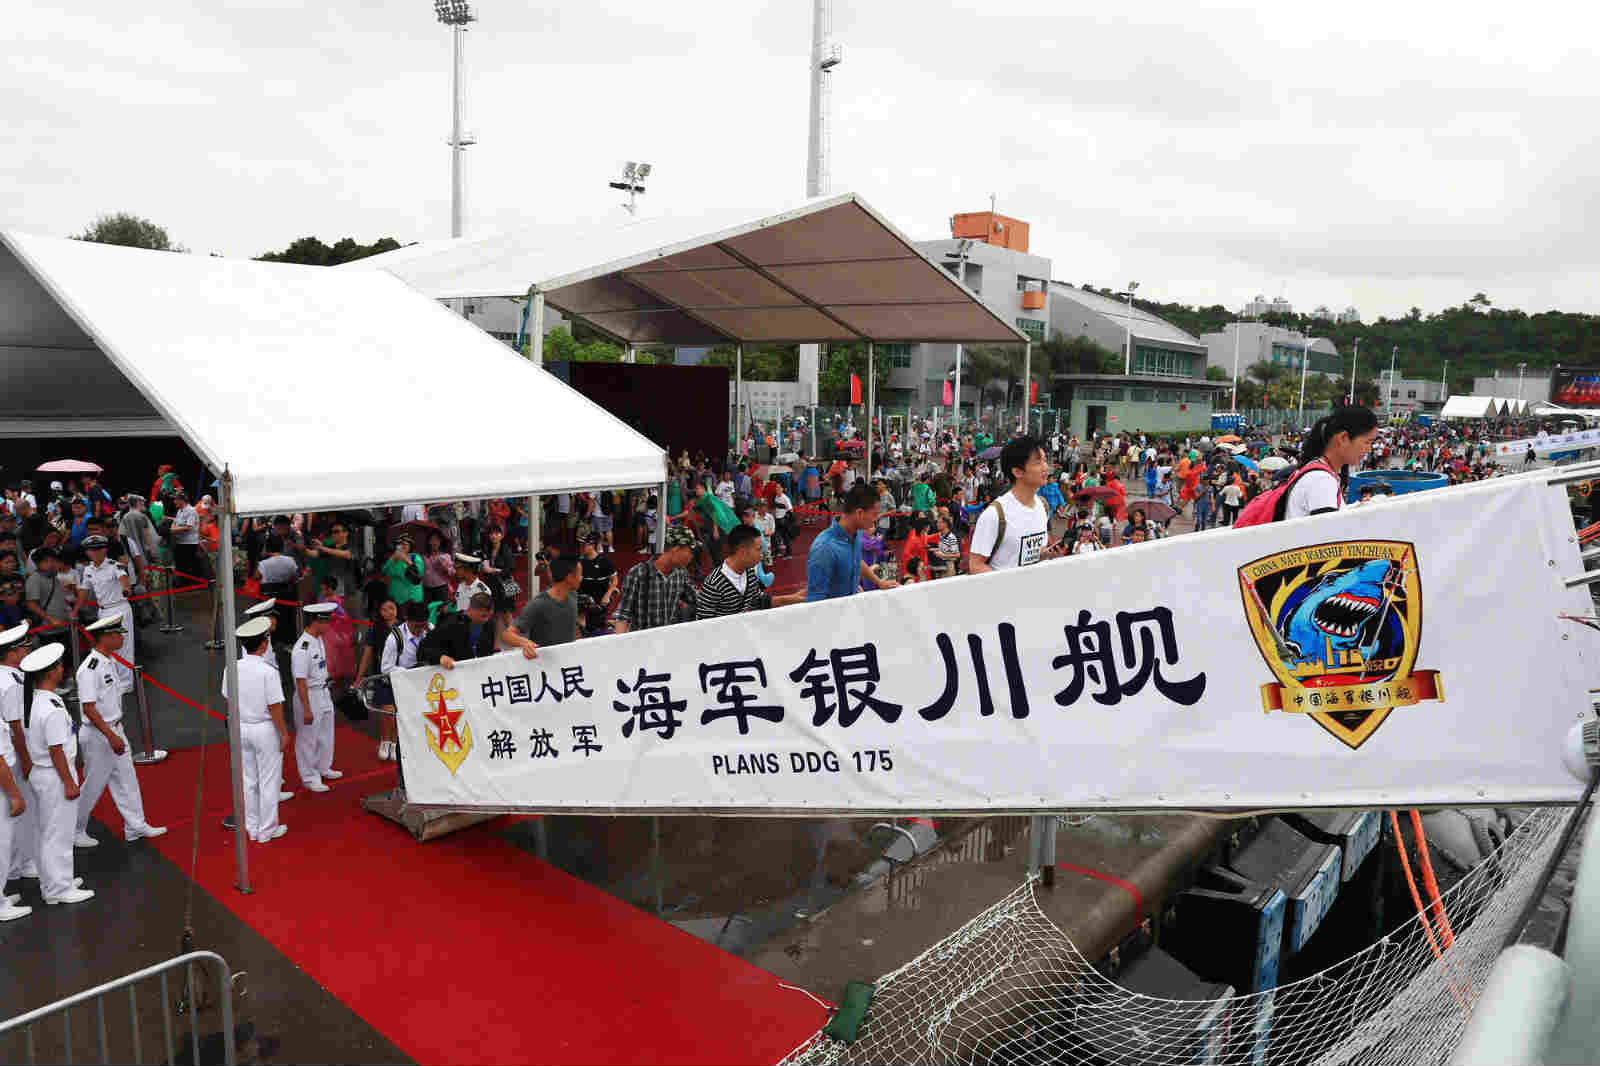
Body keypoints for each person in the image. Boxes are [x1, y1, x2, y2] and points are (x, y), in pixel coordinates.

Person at [73, 615, 166, 847]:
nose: (121, 637)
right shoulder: (89, 669)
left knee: (127, 779)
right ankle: (74, 829)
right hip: (99, 735)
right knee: (93, 786)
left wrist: (115, 733)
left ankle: (135, 826)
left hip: (114, 730)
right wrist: (110, 735)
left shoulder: (109, 661)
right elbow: (89, 708)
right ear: (105, 637)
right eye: (117, 634)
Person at [22, 642, 93, 904]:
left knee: (48, 831)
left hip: (44, 774)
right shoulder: (50, 708)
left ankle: (56, 879)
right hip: (55, 775)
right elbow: (56, 751)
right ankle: (57, 890)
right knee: (58, 833)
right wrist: (69, 783)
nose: (62, 669)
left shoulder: (37, 701)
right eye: (59, 666)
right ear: (51, 673)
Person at [228, 616, 290, 843]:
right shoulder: (268, 671)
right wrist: (283, 732)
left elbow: (229, 699)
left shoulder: (231, 667)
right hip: (264, 729)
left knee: (249, 780)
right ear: (263, 644)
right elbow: (275, 707)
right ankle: (267, 829)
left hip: (241, 727)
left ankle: (252, 827)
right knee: (269, 780)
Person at [969, 436, 1065, 574]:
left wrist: (1047, 554)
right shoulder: (995, 515)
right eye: (1038, 462)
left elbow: (1027, 556)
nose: (1045, 467)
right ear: (1017, 472)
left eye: (1045, 460)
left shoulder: (1042, 505)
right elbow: (976, 565)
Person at [1283, 408, 1380, 520]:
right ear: (1343, 438)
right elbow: (1329, 533)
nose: (1369, 449)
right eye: (1367, 442)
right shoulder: (1321, 480)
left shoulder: (1318, 471)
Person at [69, 535, 135, 694]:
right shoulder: (88, 570)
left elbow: (124, 580)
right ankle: (114, 680)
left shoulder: (115, 565)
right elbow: (84, 591)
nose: (95, 552)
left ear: (105, 549)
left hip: (119, 608)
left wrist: (126, 589)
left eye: (98, 549)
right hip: (103, 611)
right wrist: (75, 611)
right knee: (107, 647)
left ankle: (126, 683)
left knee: (123, 646)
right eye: (91, 550)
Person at [807, 483, 895, 601]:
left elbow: (857, 560)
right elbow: (815, 600)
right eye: (874, 514)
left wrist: (879, 582)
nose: (876, 519)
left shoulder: (857, 532)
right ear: (859, 513)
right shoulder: (824, 548)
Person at [0, 623, 38, 890]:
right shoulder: (12, 682)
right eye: (24, 647)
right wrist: (26, 759)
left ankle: (19, 864)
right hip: (10, 754)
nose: (28, 651)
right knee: (18, 812)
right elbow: (15, 726)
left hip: (9, 751)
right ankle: (18, 866)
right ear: (12, 653)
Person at [614, 526, 699, 633]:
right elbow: (623, 614)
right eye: (690, 551)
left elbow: (698, 599)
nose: (691, 556)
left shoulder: (681, 573)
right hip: (642, 642)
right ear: (676, 549)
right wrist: (621, 646)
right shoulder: (638, 573)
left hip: (668, 640)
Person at [292, 603, 340, 792]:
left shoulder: (318, 639)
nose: (329, 625)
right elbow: (300, 680)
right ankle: (309, 776)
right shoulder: (302, 648)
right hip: (309, 694)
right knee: (308, 737)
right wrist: (306, 708)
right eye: (326, 621)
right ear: (317, 621)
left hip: (323, 691)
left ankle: (323, 766)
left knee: (326, 733)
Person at [421, 592, 527, 669]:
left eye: (489, 616)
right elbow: (423, 649)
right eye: (483, 616)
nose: (486, 620)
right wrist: (440, 657)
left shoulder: (489, 624)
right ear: (470, 609)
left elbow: (487, 652)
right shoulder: (451, 623)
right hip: (454, 675)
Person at [504, 555, 581, 653]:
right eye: (580, 574)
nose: (581, 578)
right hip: (544, 665)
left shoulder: (573, 596)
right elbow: (507, 635)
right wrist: (524, 642)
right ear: (570, 577)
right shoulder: (538, 604)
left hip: (569, 661)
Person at [355, 598, 401, 761]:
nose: (389, 612)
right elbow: (367, 654)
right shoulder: (375, 630)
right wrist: (359, 678)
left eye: (392, 608)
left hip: (401, 675)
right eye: (384, 609)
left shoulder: (403, 627)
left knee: (397, 712)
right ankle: (385, 741)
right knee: (386, 711)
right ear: (380, 613)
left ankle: (396, 743)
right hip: (382, 676)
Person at [697, 524, 770, 619]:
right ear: (743, 552)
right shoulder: (714, 584)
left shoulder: (750, 573)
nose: (761, 555)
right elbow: (702, 623)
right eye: (758, 549)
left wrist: (792, 599)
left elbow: (759, 601)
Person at [169, 491, 201, 582]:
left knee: (188, 564)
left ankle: (191, 583)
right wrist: (173, 527)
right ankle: (182, 582)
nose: (174, 502)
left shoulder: (191, 510)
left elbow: (189, 527)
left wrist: (173, 530)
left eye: (175, 499)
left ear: (181, 500)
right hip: (180, 542)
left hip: (189, 543)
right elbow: (175, 521)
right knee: (180, 564)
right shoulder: (180, 510)